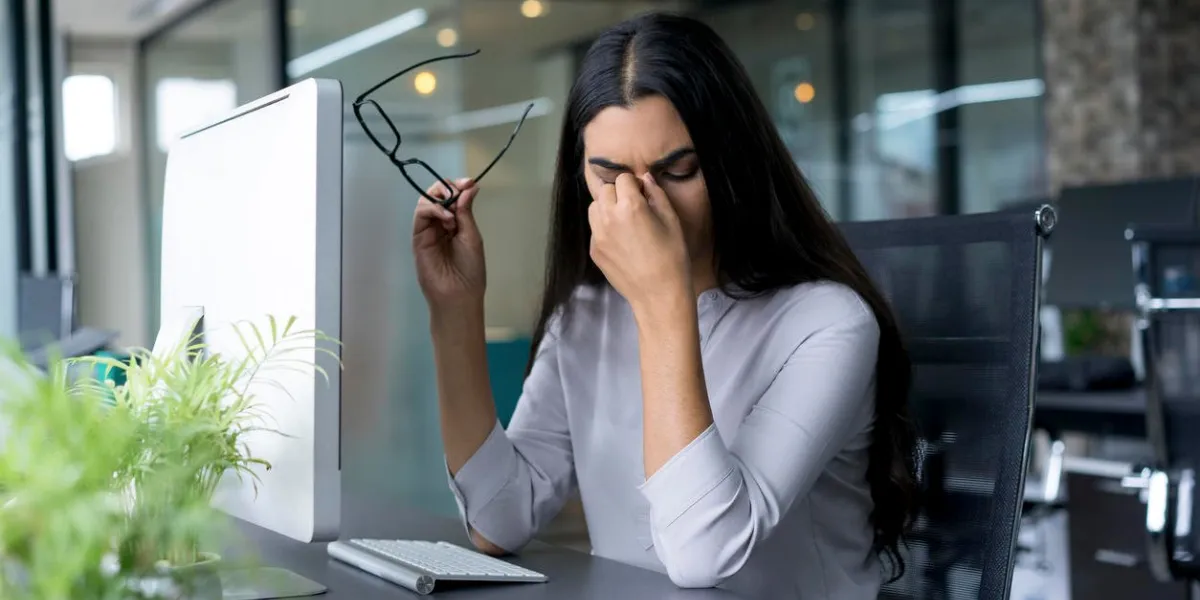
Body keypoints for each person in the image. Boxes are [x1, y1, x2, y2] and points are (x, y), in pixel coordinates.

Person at [411, 12, 918, 599]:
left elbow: (705, 554)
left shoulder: (829, 324)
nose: (640, 203)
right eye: (608, 175)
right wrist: (454, 311)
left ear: (731, 164)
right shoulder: (584, 315)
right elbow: (498, 522)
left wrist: (660, 300)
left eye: (676, 171)